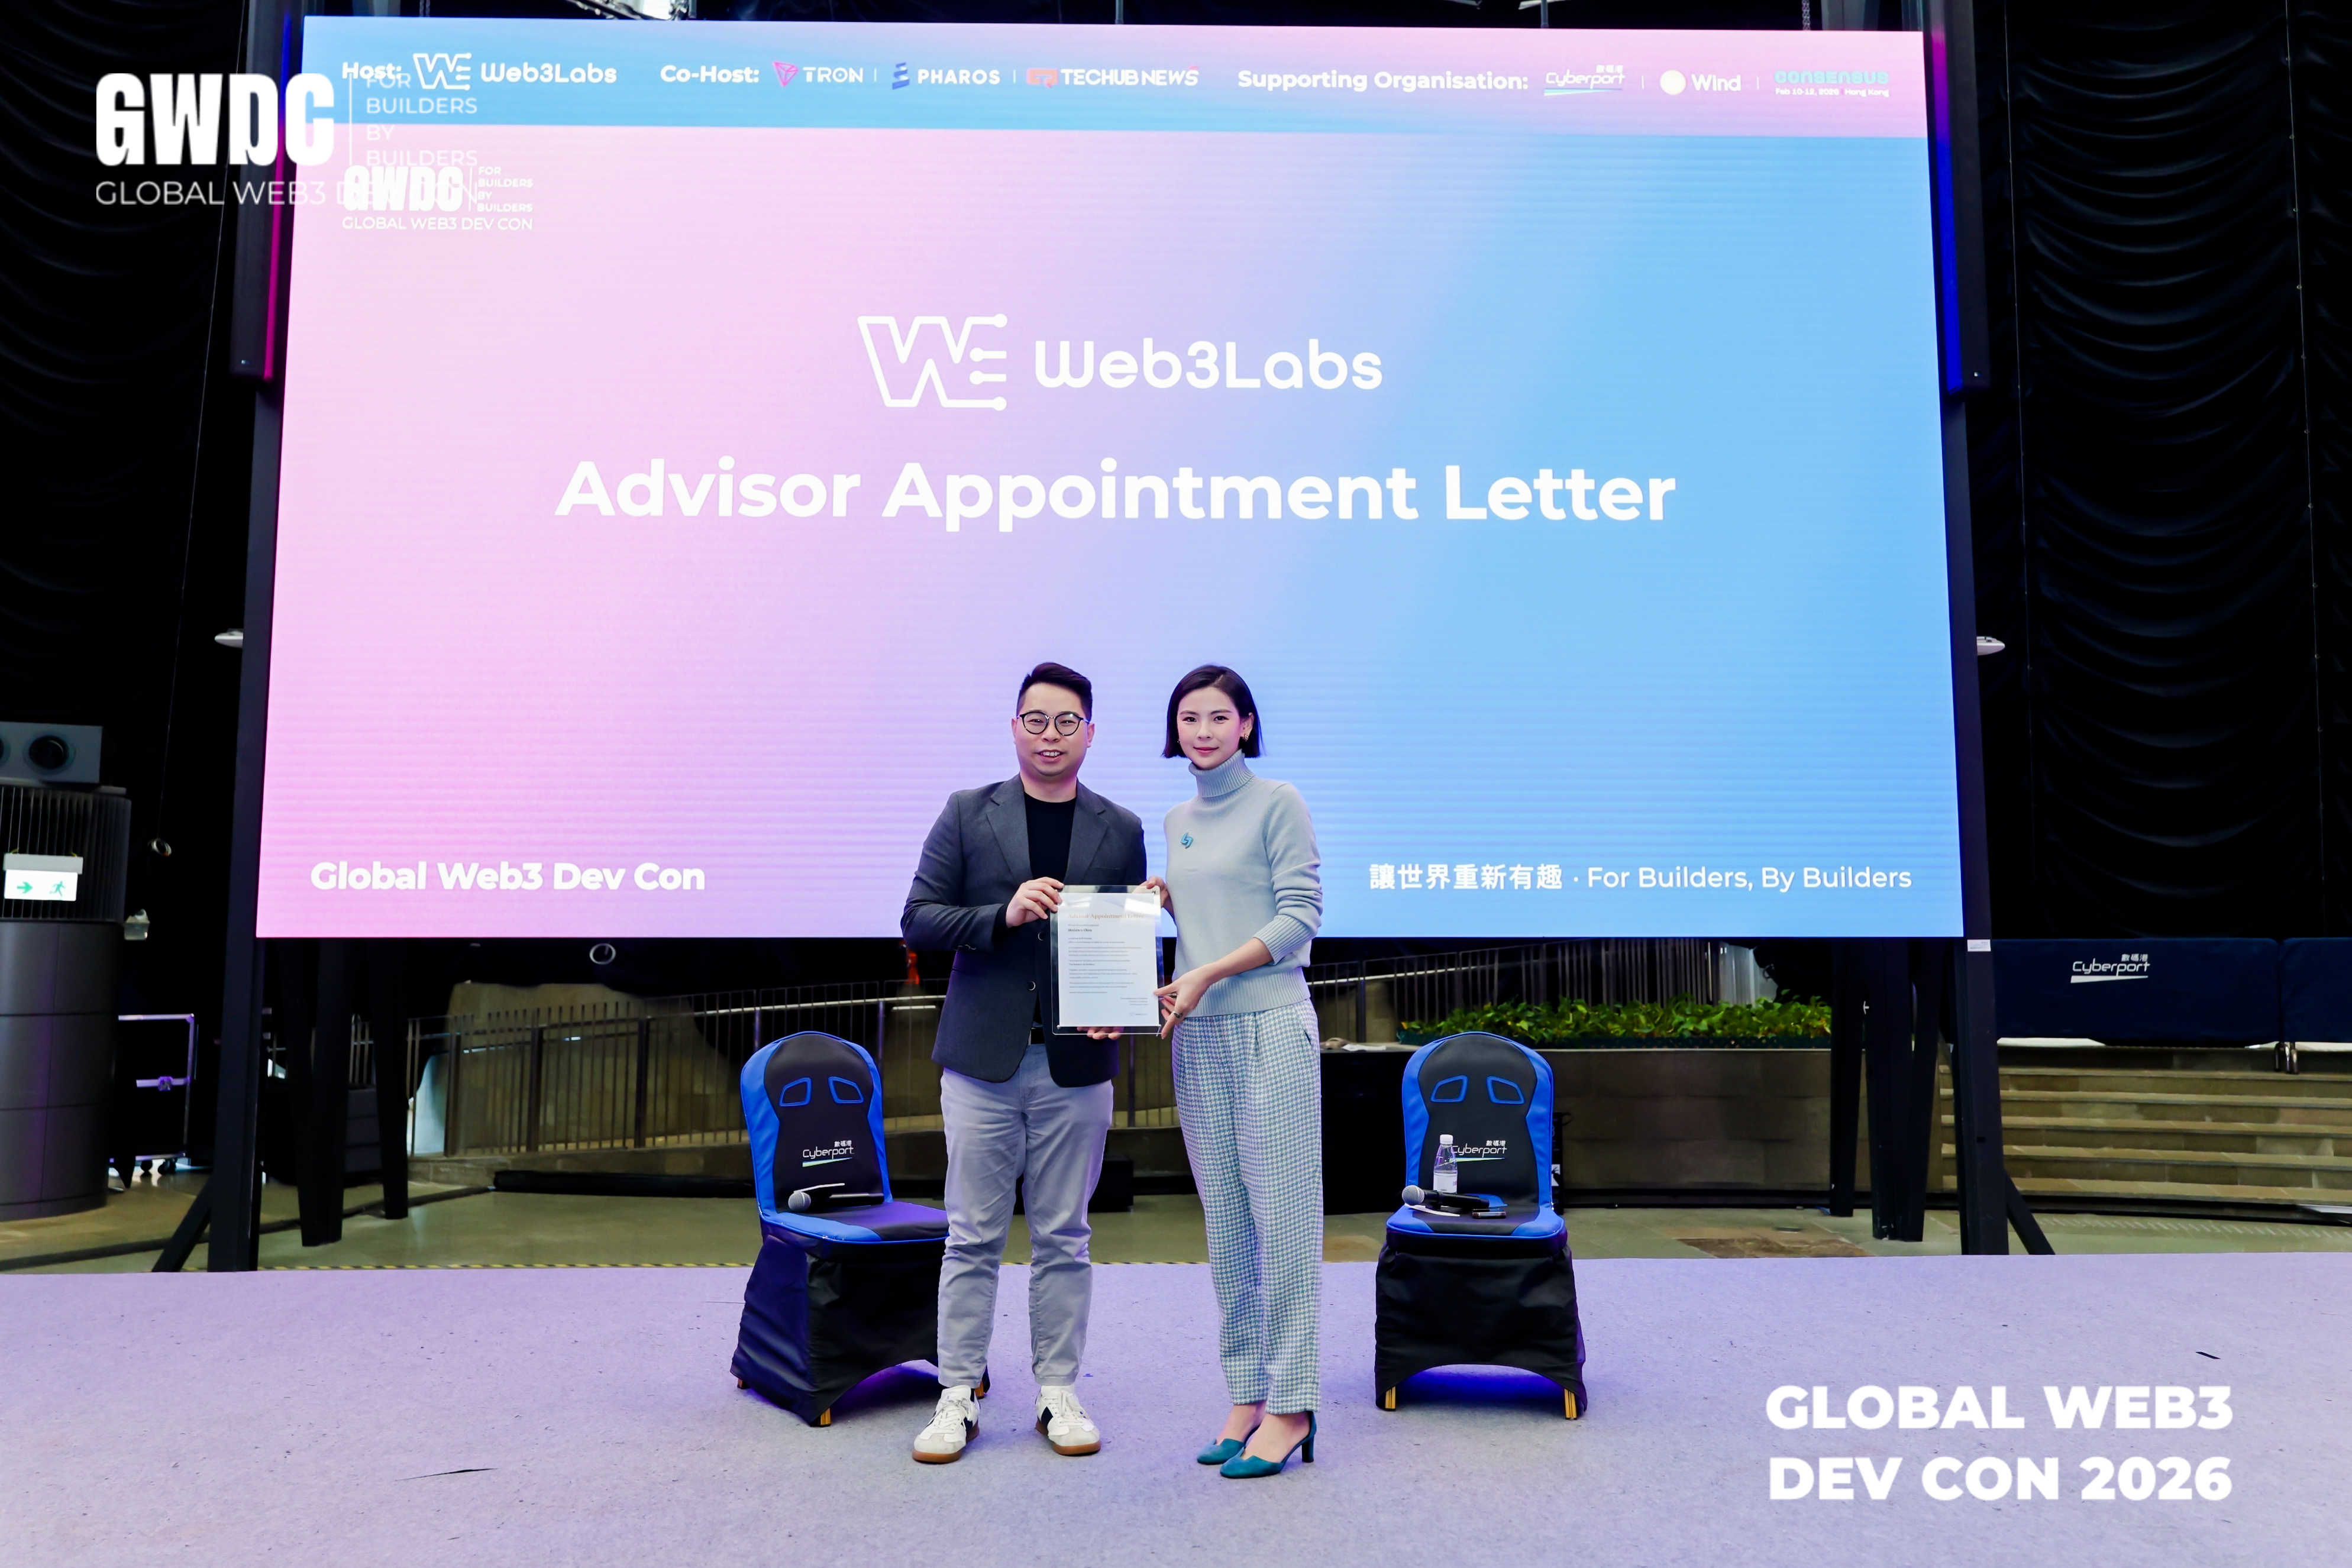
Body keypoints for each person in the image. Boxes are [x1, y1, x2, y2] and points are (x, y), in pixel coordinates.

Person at [900, 662, 1148, 1465]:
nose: (1050, 736)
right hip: (982, 1063)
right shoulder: (968, 812)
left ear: (1090, 733)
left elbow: (1124, 939)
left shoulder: (1120, 826)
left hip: (1077, 1065)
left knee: (1065, 1236)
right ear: (1015, 728)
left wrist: (1127, 997)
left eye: (1066, 722)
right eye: (1036, 721)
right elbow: (918, 918)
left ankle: (1058, 1390)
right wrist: (999, 915)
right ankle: (956, 1394)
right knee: (971, 1236)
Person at [1143, 664, 1326, 1479]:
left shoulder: (1279, 801)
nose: (1205, 731)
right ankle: (1247, 1395)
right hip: (1199, 1037)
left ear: (1247, 724)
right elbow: (1216, 915)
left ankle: (1292, 1406)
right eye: (1190, 718)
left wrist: (1209, 972)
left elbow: (1299, 915)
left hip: (1271, 1027)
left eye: (1220, 716)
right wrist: (1165, 907)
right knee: (1227, 1227)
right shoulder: (1177, 819)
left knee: (1283, 1224)